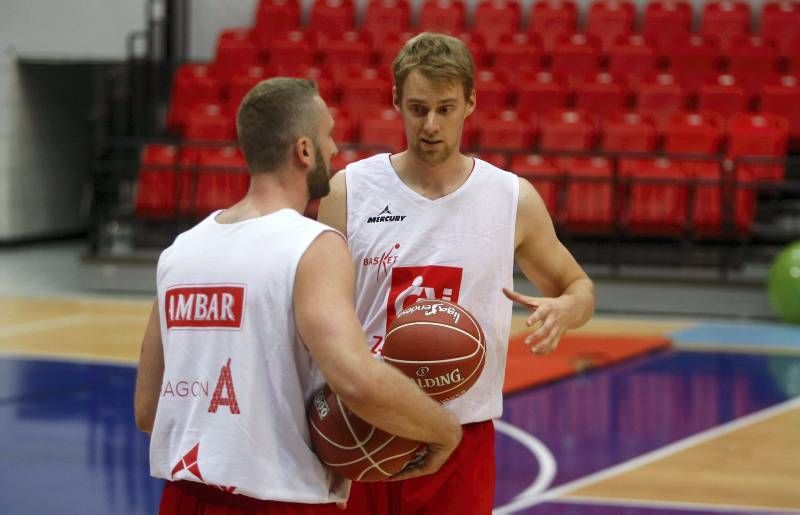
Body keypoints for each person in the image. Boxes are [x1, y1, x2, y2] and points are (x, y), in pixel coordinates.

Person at [134, 77, 462, 515]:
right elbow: (356, 380)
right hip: (280, 501)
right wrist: (444, 430)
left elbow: (147, 410)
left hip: (184, 498)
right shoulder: (313, 245)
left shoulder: (180, 251)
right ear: (304, 150)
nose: (335, 149)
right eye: (327, 135)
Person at [317, 33, 595, 514]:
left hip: (461, 437)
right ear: (396, 102)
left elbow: (580, 287)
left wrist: (567, 308)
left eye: (445, 109)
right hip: (364, 427)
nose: (430, 125)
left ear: (470, 103)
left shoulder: (512, 199)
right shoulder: (350, 190)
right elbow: (316, 313)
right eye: (417, 108)